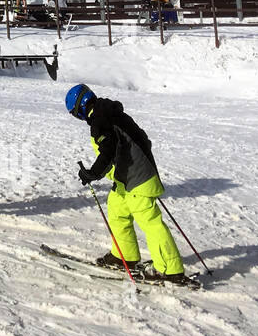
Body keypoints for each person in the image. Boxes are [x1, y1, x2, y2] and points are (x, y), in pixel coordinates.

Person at [65, 84, 186, 282]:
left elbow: (109, 150)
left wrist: (92, 174)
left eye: (74, 113)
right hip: (127, 176)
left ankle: (170, 269)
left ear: (80, 108)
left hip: (137, 177)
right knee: (116, 208)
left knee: (150, 221)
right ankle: (125, 257)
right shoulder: (107, 112)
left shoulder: (100, 119)